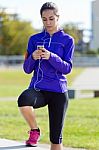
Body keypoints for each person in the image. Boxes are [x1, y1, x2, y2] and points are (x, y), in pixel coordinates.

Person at [17, 2, 75, 150]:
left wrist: (51, 56)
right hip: (39, 89)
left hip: (58, 91)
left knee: (55, 142)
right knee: (23, 100)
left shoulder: (67, 40)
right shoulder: (34, 39)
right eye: (44, 19)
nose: (48, 22)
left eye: (51, 18)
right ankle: (35, 131)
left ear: (58, 18)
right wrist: (33, 58)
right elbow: (27, 69)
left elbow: (67, 68)